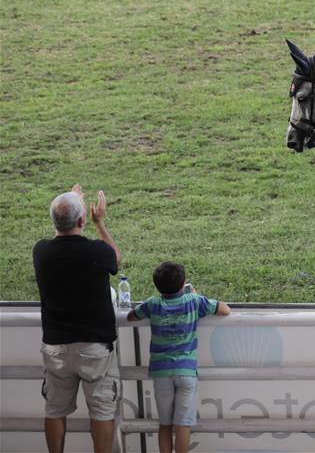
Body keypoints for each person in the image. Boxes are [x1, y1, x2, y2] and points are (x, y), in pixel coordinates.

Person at [33, 184, 123, 453]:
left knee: (54, 410)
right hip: (94, 348)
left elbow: (59, 237)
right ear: (82, 220)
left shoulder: (41, 252)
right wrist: (99, 223)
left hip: (56, 348)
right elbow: (115, 258)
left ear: (54, 222)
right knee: (102, 411)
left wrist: (71, 204)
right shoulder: (97, 252)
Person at [127, 262, 231, 453]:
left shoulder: (153, 304)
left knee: (165, 424)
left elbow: (131, 316)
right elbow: (225, 309)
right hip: (186, 372)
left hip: (161, 372)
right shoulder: (193, 301)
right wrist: (195, 295)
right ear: (183, 284)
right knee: (183, 424)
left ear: (157, 285)